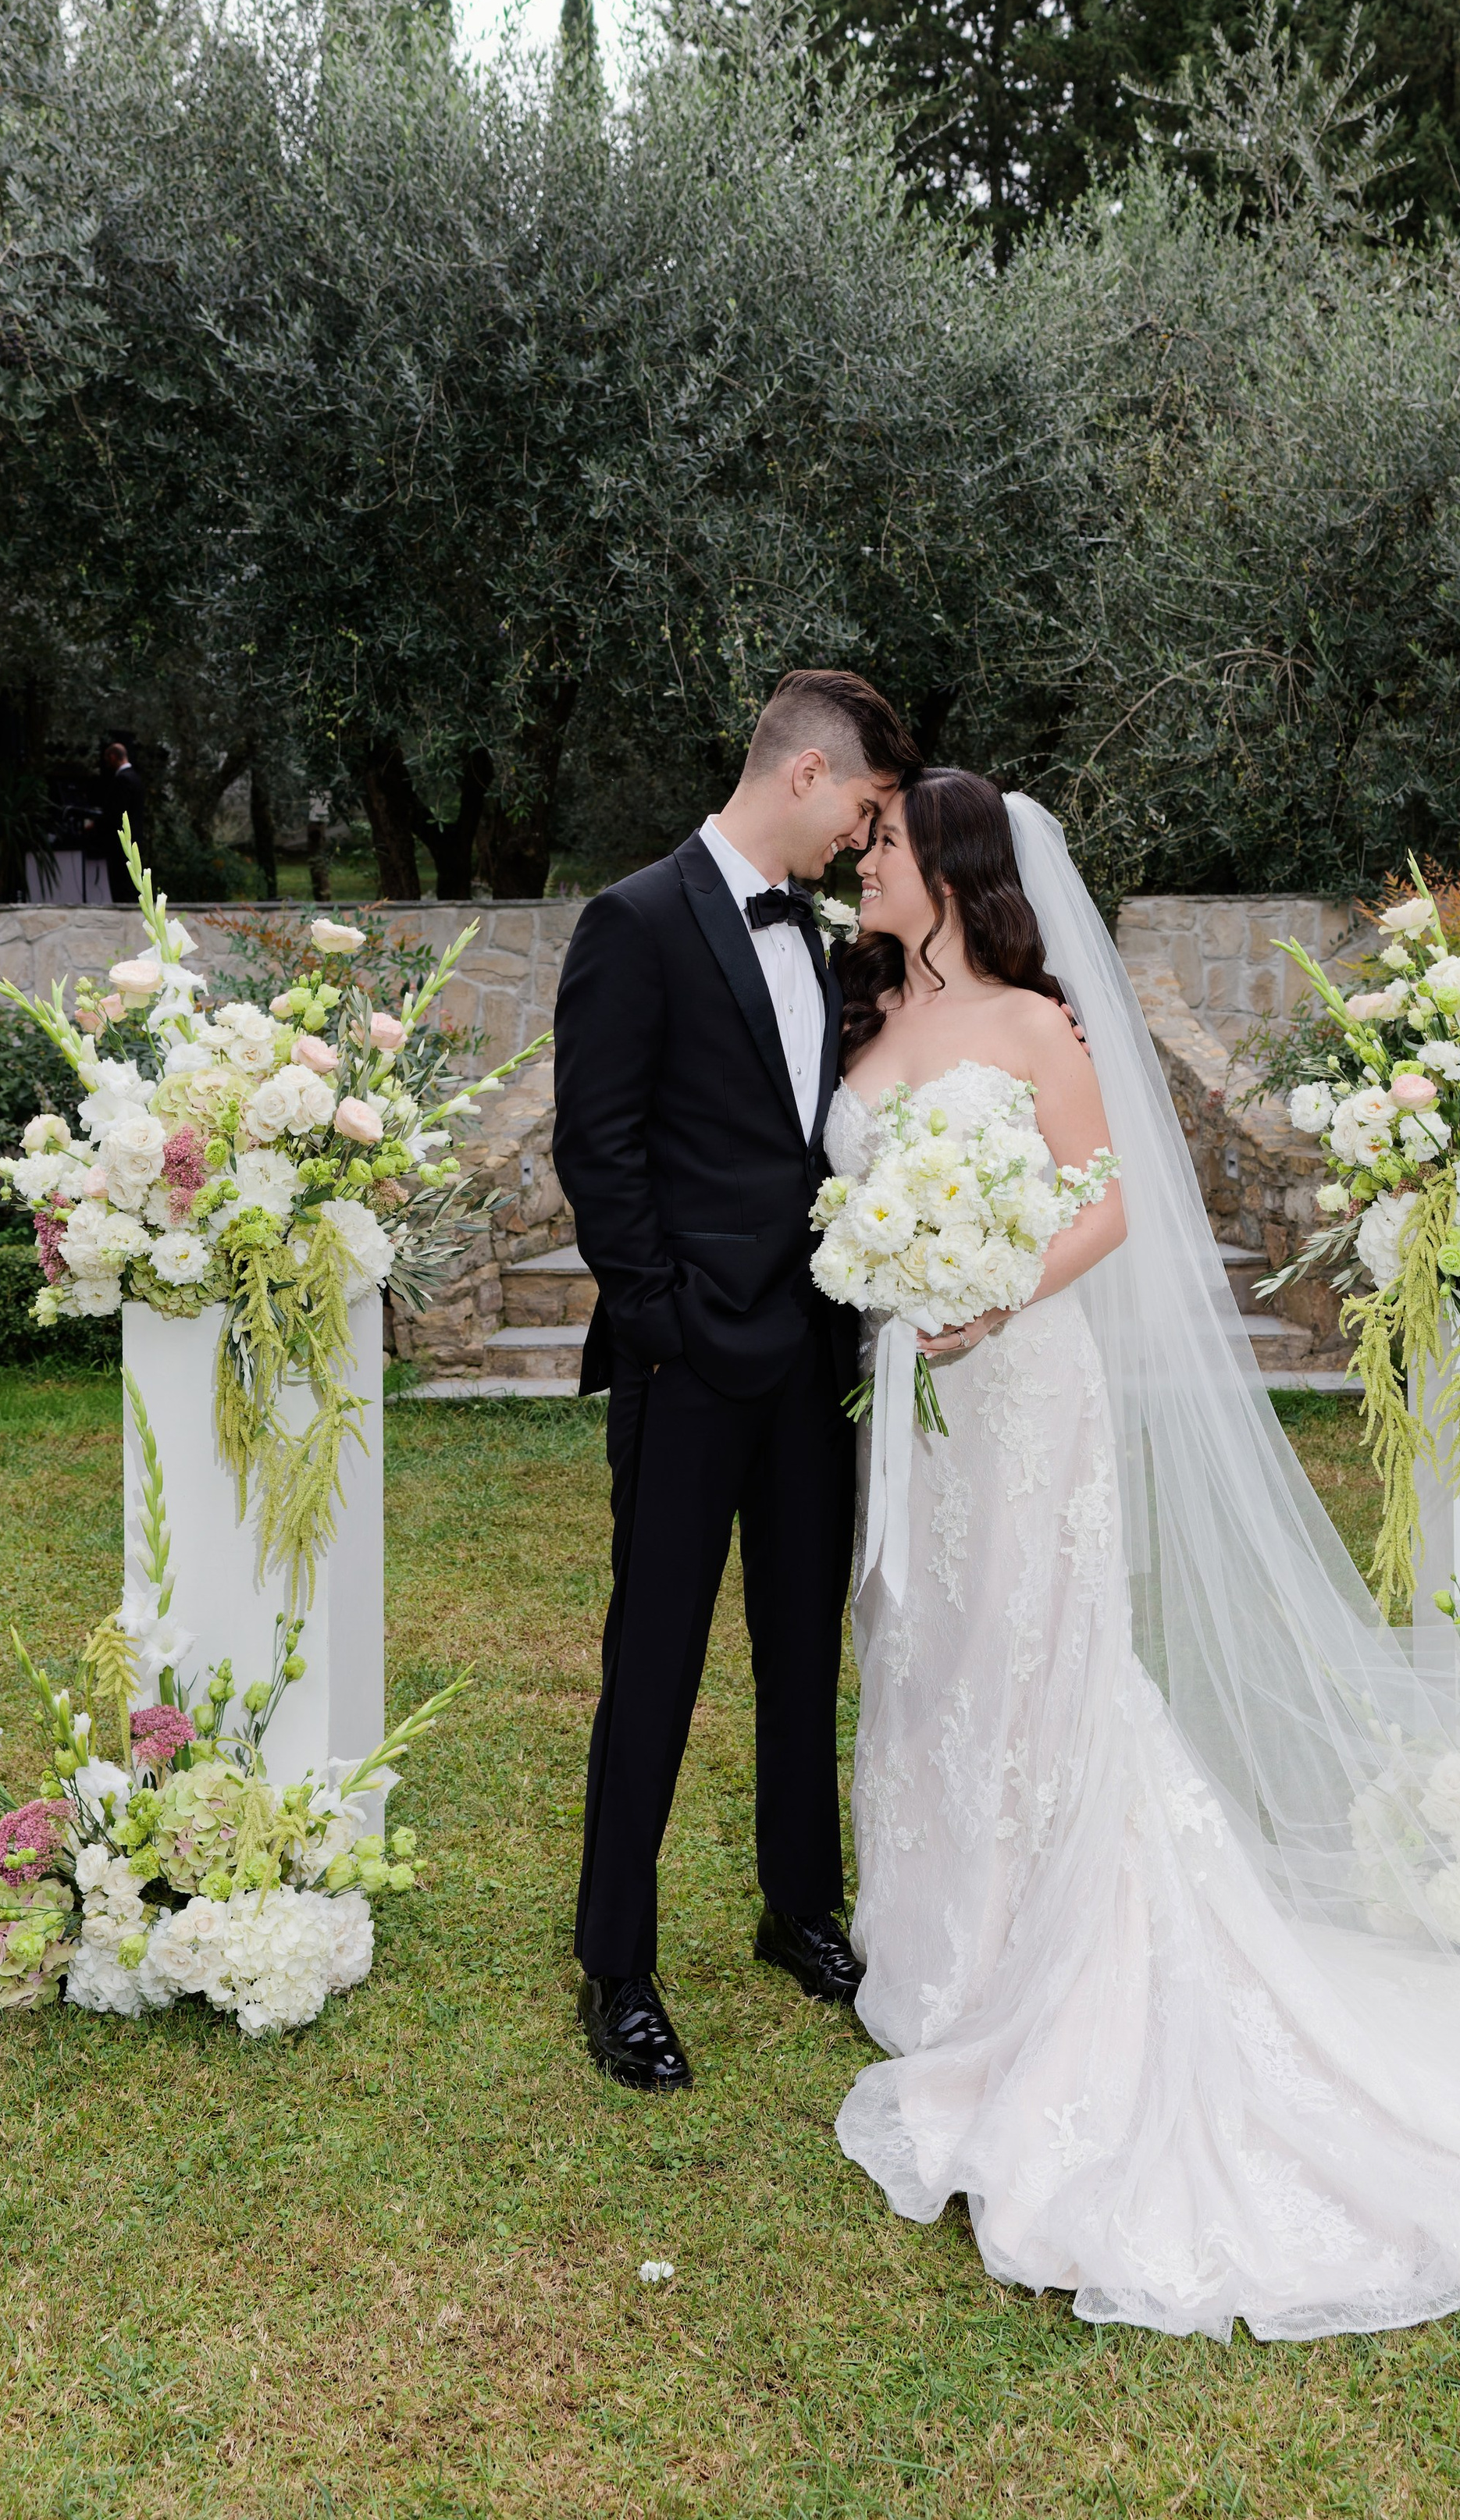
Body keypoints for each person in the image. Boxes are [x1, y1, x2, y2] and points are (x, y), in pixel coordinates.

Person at [829, 769, 1460, 2339]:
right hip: (919, 1398)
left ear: (952, 869)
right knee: (927, 1649)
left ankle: (1033, 1953)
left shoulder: (1033, 1023)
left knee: (1031, 1655)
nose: (862, 860)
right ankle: (929, 1948)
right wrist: (898, 1273)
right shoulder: (873, 1011)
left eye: (886, 844)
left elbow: (1110, 1208)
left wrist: (990, 1287)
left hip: (1021, 1388)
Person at [553, 670, 921, 2091]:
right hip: (690, 1363)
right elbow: (599, 1149)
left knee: (800, 1647)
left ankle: (799, 1907)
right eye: (864, 808)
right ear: (809, 772)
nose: (862, 839)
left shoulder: (823, 939)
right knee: (653, 1660)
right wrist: (666, 1323)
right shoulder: (634, 919)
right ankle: (617, 1967)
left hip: (813, 1359)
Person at [94, 739, 146, 903]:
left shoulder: (123, 779)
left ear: (113, 757)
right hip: (136, 838)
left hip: (122, 842)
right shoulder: (135, 778)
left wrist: (98, 824)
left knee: (122, 885)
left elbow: (116, 812)